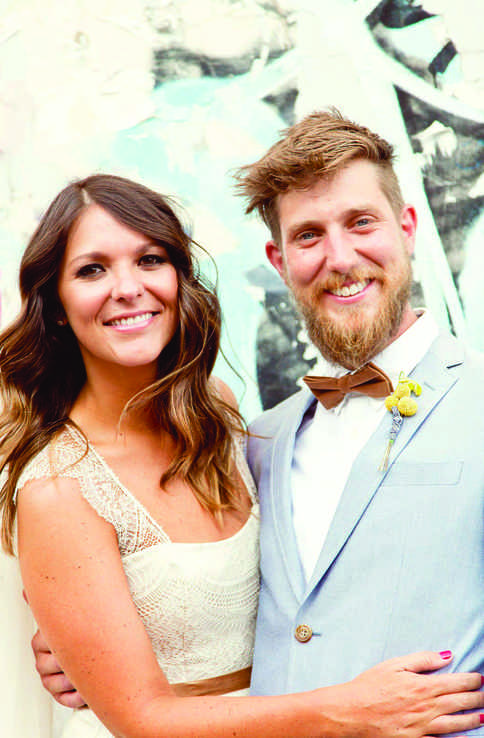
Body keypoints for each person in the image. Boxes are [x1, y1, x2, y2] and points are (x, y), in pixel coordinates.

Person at [8, 173, 483, 738]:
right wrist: (351, 710)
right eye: (92, 270)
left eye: (150, 260)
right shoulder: (58, 489)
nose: (127, 287)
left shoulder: (221, 415)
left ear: (180, 281)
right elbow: (141, 716)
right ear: (57, 306)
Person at [233, 109, 484, 719]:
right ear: (279, 259)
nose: (340, 257)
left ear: (407, 228)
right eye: (309, 234)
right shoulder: (259, 439)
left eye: (361, 222)